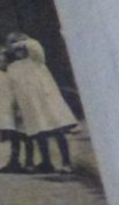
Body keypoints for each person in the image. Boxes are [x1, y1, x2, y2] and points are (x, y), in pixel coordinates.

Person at [5, 33, 78, 173]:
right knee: (39, 133)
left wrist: (19, 42)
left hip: (46, 100)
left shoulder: (36, 60)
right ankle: (46, 162)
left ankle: (66, 162)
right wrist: (16, 106)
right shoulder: (13, 67)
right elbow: (13, 88)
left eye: (21, 49)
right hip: (29, 103)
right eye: (16, 51)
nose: (19, 52)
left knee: (57, 130)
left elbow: (35, 46)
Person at [0, 47, 32, 172]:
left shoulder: (15, 75)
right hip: (5, 110)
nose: (0, 64)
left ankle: (29, 163)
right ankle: (14, 161)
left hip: (18, 108)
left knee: (26, 136)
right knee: (14, 138)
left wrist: (19, 108)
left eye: (3, 61)